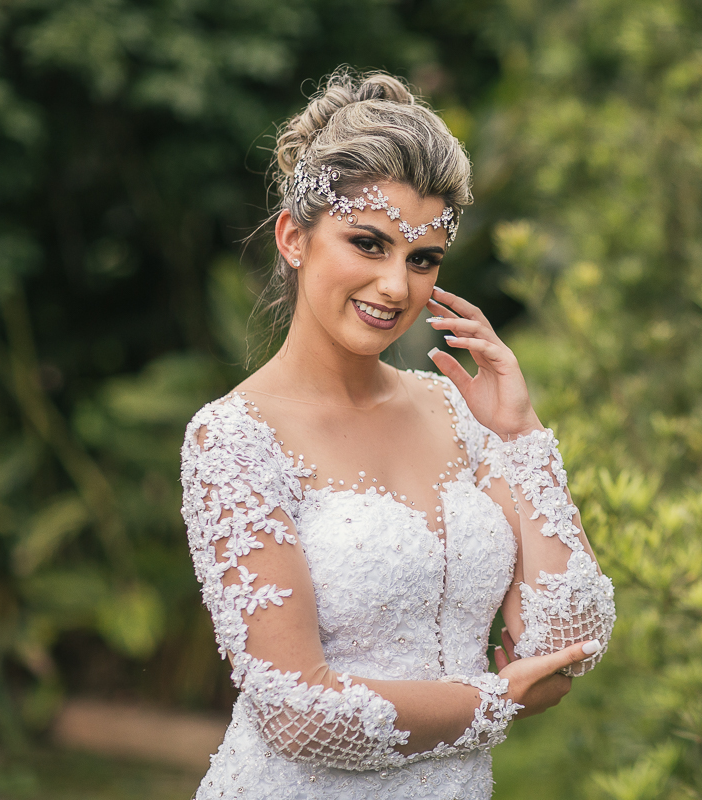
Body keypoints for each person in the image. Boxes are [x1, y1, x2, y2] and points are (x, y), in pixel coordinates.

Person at [179, 69, 616, 799]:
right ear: (294, 237)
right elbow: (297, 713)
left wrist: (520, 432)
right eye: (368, 244)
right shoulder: (233, 439)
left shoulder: (459, 412)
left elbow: (567, 639)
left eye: (423, 259)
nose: (395, 286)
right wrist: (496, 703)